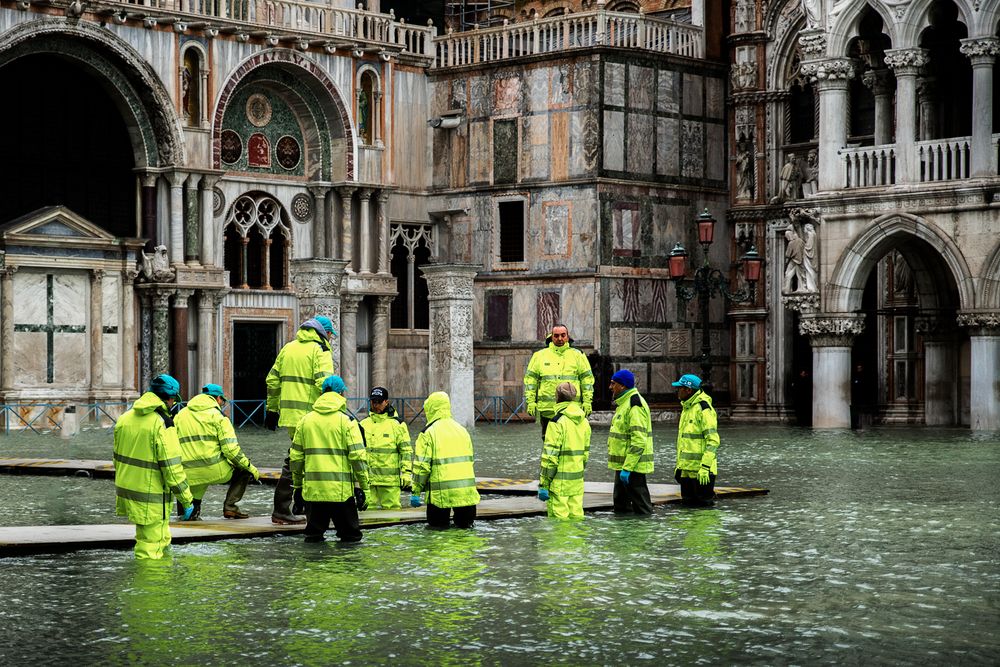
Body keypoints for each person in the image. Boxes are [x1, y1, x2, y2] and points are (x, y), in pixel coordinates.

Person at [113, 374, 194, 559]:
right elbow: (172, 468)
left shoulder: (125, 418)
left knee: (161, 540)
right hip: (152, 495)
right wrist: (186, 499)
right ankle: (150, 586)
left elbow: (116, 458)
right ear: (170, 398)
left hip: (129, 491)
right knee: (150, 550)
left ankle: (163, 583)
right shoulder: (162, 423)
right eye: (174, 400)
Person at [264, 316, 336, 524]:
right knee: (302, 460)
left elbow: (272, 379)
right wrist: (333, 412)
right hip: (312, 416)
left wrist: (272, 409)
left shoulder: (289, 348)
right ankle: (286, 508)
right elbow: (326, 384)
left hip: (290, 417)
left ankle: (299, 505)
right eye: (330, 334)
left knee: (300, 457)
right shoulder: (320, 350)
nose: (331, 338)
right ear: (324, 333)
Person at [290, 375, 370, 543]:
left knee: (313, 538)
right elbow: (358, 458)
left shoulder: (305, 421)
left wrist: (297, 486)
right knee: (351, 539)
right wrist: (364, 487)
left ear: (322, 393)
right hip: (340, 494)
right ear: (341, 394)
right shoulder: (347, 422)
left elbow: (295, 459)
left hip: (313, 493)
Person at [174, 383, 260, 520]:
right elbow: (231, 451)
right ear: (218, 398)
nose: (222, 404)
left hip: (186, 473)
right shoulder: (219, 417)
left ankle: (187, 514)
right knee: (244, 470)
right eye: (223, 401)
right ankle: (230, 507)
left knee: (189, 495)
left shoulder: (180, 415)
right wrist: (251, 468)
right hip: (214, 469)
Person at [410, 391, 481, 529]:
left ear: (430, 409)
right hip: (466, 494)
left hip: (440, 497)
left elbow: (421, 467)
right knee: (466, 536)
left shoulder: (428, 433)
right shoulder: (462, 431)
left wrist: (416, 492)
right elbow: (470, 460)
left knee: (438, 537)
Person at [523, 324, 594, 439]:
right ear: (551, 337)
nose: (560, 339)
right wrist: (530, 401)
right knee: (549, 443)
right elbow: (531, 381)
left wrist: (587, 401)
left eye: (563, 335)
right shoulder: (539, 356)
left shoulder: (578, 355)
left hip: (572, 410)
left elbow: (587, 380)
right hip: (548, 410)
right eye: (556, 336)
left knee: (571, 442)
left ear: (567, 336)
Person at [537, 382, 591, 519]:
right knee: (577, 519)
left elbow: (550, 457)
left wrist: (544, 484)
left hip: (559, 484)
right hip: (577, 482)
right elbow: (585, 454)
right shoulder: (584, 421)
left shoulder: (556, 422)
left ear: (557, 397)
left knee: (559, 526)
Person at [608, 369, 653, 515]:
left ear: (622, 386)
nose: (610, 387)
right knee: (621, 506)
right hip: (623, 466)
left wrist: (628, 468)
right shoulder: (624, 403)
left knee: (641, 507)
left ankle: (643, 534)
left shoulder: (634, 404)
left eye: (613, 384)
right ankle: (624, 535)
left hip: (633, 467)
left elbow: (639, 440)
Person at [359, 386, 412, 510]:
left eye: (379, 402)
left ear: (386, 402)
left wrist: (406, 473)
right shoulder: (362, 424)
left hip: (390, 483)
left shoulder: (398, 425)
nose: (376, 405)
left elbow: (406, 451)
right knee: (367, 517)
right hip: (369, 482)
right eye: (373, 401)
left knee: (392, 518)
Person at [673, 373, 720, 507]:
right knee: (687, 511)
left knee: (703, 513)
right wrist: (679, 467)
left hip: (702, 473)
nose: (677, 390)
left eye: (680, 388)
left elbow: (713, 441)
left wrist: (705, 467)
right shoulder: (687, 408)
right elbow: (684, 442)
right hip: (687, 471)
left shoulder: (704, 409)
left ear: (688, 390)